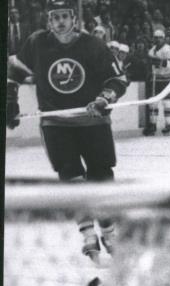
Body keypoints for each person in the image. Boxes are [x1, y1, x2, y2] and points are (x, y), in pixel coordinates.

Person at [6, 0, 128, 264]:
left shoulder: (94, 45)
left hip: (92, 121)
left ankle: (109, 231)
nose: (60, 21)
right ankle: (87, 235)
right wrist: (9, 98)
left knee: (101, 178)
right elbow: (13, 70)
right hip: (56, 124)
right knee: (71, 178)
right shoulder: (37, 43)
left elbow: (118, 79)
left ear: (74, 19)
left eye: (65, 16)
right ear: (48, 21)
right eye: (55, 17)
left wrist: (104, 98)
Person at [145, 28, 170, 135]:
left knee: (167, 103)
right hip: (155, 79)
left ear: (163, 38)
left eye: (159, 38)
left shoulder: (168, 49)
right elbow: (150, 63)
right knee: (153, 103)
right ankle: (153, 125)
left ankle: (168, 125)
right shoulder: (152, 50)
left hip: (167, 80)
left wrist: (159, 61)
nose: (157, 40)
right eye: (156, 38)